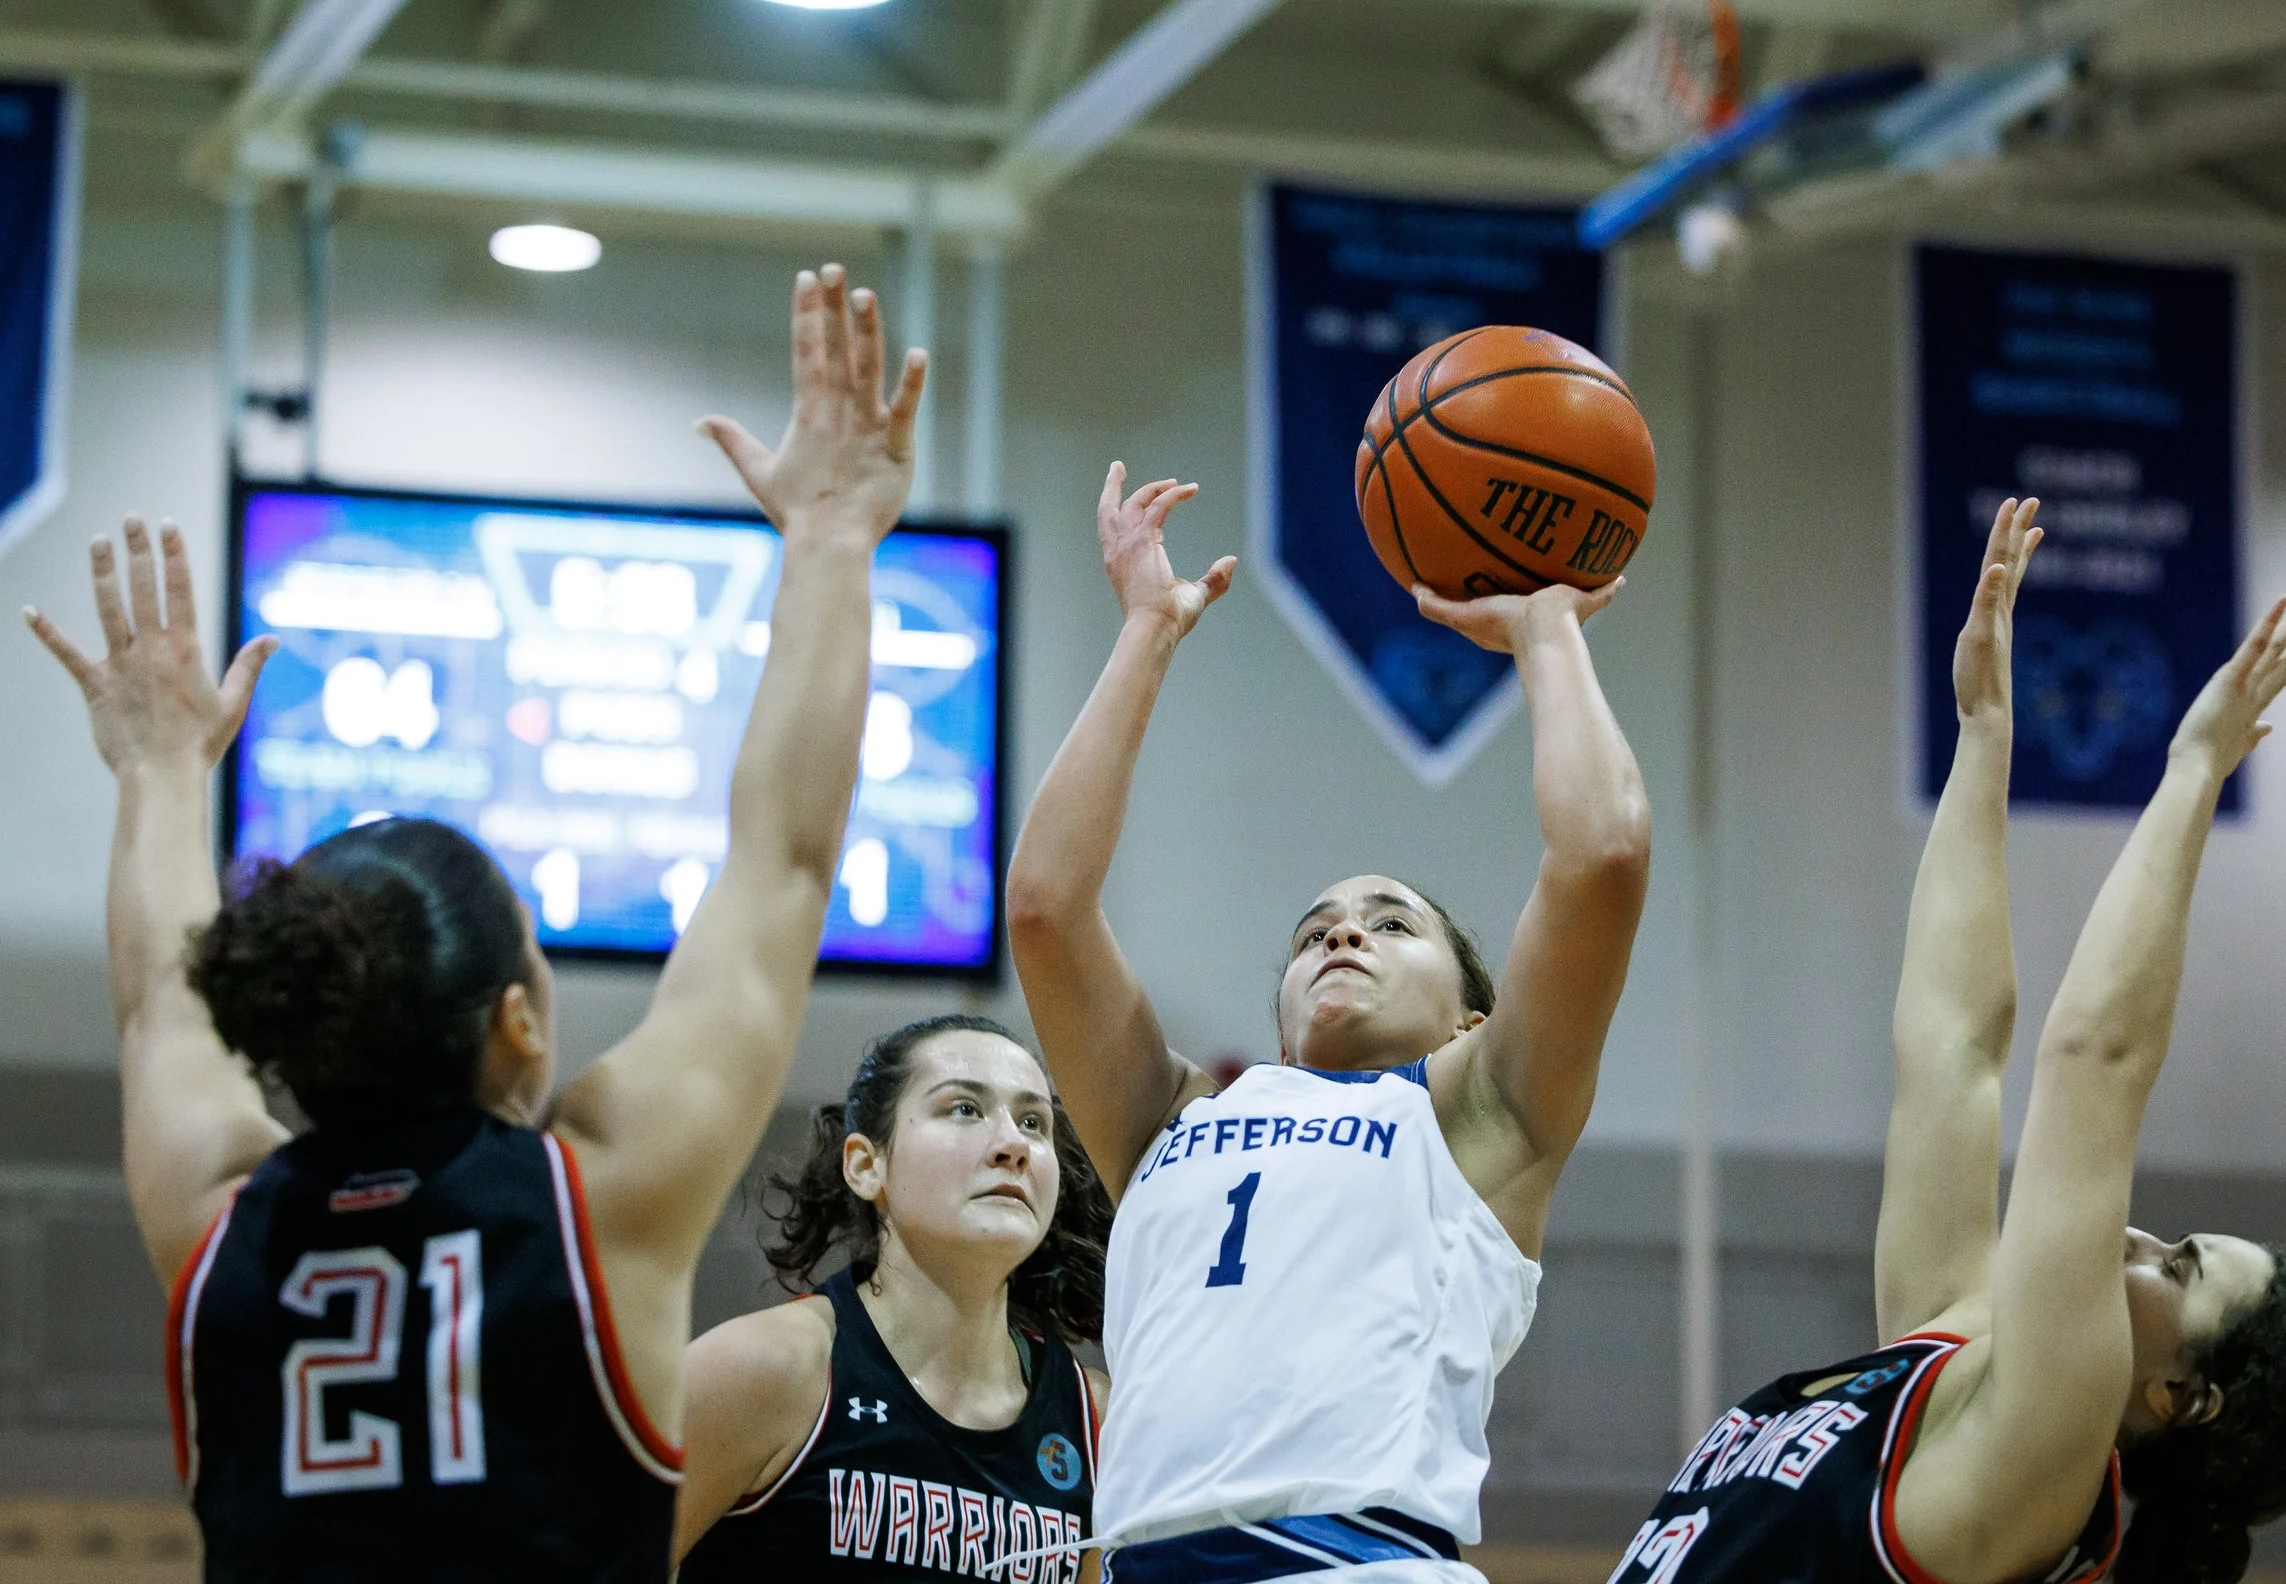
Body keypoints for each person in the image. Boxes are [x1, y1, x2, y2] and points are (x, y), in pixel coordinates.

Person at [21, 266, 923, 1582]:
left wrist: (159, 775)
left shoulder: (218, 1227)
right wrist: (833, 541)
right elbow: (783, 857)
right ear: (516, 1022)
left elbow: (163, 1001)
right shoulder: (603, 1196)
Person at [1611, 500, 2286, 1584]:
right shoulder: (1945, 1357)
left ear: (2179, 1400)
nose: (2137, 1237)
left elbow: (2094, 1060)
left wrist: (2192, 772)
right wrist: (1982, 736)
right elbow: (1950, 1051)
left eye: (2179, 1269)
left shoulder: (2036, 1465)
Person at [1003, 466, 1652, 1581]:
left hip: (1352, 1560)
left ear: (1469, 1019)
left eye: (1389, 924)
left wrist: (1547, 631)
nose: (1340, 937)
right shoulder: (1173, 1117)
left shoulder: (1479, 1115)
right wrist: (1146, 636)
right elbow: (1046, 911)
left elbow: (1602, 858)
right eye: (1314, 932)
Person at [674, 1015, 1114, 1581]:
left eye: (1033, 1122)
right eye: (964, 1109)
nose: (1012, 1145)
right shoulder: (767, 1369)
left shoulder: (1097, 1419)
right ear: (865, 1164)